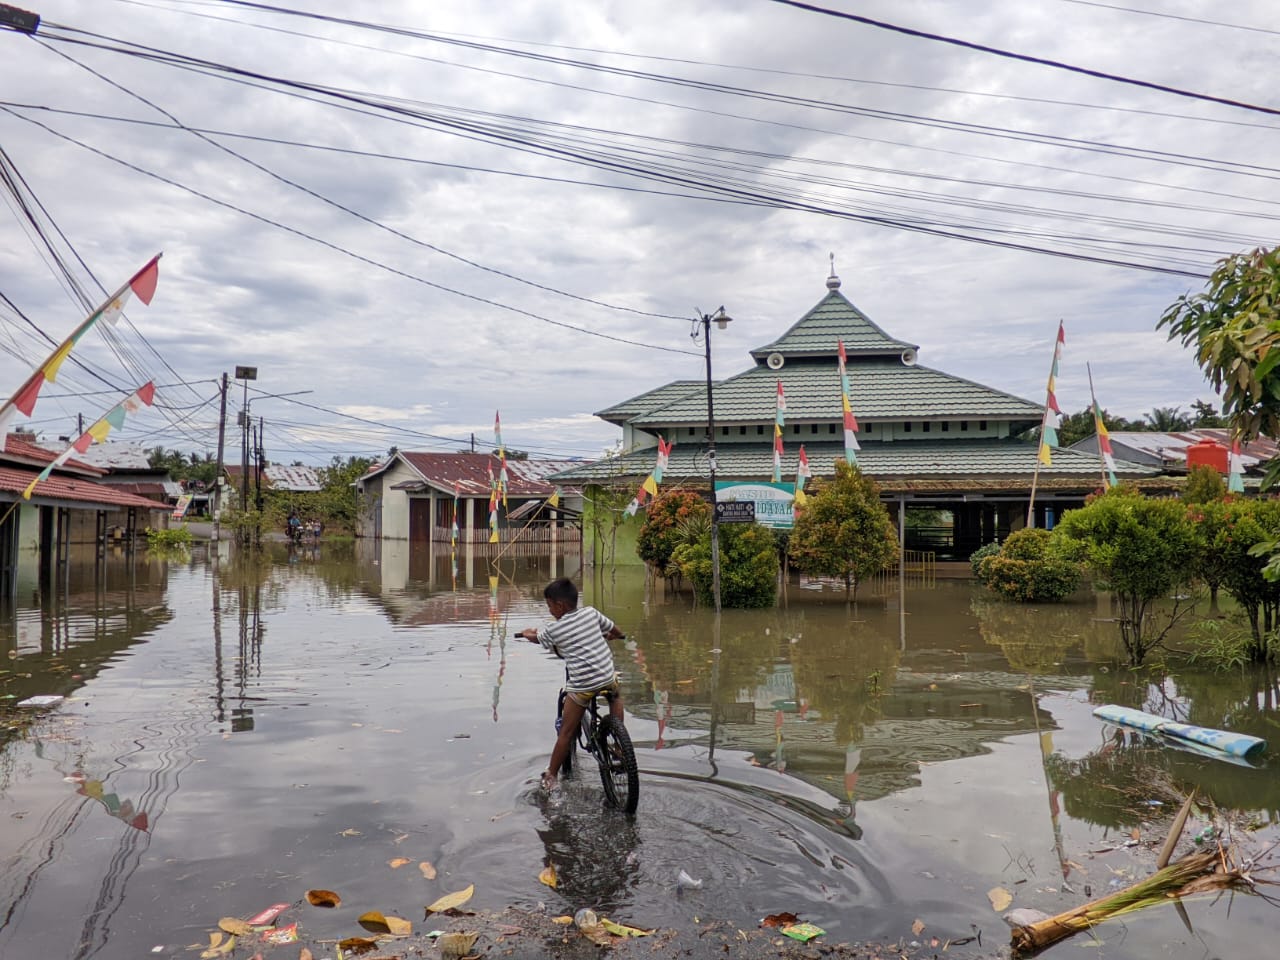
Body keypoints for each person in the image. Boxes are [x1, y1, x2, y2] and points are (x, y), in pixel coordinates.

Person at [519, 577, 625, 792]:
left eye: (549, 606)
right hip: (607, 677)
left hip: (582, 686)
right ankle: (619, 741)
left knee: (566, 733)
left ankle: (550, 776)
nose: (550, 611)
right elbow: (617, 631)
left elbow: (538, 638)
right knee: (615, 693)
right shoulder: (591, 613)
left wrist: (526, 633)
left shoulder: (554, 630)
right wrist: (612, 637)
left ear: (560, 605)